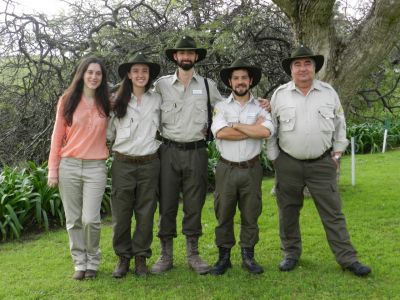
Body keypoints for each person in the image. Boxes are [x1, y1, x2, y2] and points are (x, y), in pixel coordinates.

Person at [266, 45, 371, 276]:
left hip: (322, 164)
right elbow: (271, 129)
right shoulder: (280, 94)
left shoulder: (328, 92)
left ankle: (348, 259)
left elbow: (339, 124)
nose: (303, 68)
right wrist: (275, 158)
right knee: (288, 212)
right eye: (297, 64)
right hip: (288, 164)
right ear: (291, 70)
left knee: (333, 213)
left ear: (314, 68)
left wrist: (337, 152)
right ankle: (291, 254)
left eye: (307, 64)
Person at [151, 35, 223, 275]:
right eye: (182, 54)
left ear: (195, 57)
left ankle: (193, 254)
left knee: (194, 204)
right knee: (167, 203)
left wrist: (259, 104)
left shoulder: (206, 86)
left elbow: (226, 109)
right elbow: (141, 103)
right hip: (168, 151)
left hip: (196, 151)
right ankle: (166, 255)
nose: (185, 57)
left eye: (190, 54)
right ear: (175, 57)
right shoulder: (160, 85)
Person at [209, 59, 274, 275]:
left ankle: (248, 256)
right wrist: (250, 127)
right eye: (236, 78)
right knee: (224, 212)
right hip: (226, 168)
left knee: (250, 213)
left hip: (251, 169)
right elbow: (220, 133)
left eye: (244, 78)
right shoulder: (220, 106)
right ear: (230, 81)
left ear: (251, 80)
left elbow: (266, 132)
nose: (240, 82)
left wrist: (234, 124)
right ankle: (223, 257)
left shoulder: (261, 106)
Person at [47, 56, 110, 280]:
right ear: (82, 74)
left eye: (98, 73)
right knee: (73, 220)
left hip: (96, 167)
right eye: (90, 72)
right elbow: (57, 137)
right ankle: (79, 264)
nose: (94, 77)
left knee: (90, 219)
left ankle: (93, 260)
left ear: (103, 78)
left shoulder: (107, 102)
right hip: (69, 166)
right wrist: (52, 170)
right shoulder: (67, 100)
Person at [107, 52, 161, 278]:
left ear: (149, 75)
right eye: (136, 71)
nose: (140, 75)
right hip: (123, 164)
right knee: (121, 214)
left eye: (144, 71)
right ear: (128, 74)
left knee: (146, 213)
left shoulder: (157, 99)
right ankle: (123, 257)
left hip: (149, 163)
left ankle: (141, 257)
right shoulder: (116, 101)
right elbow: (108, 134)